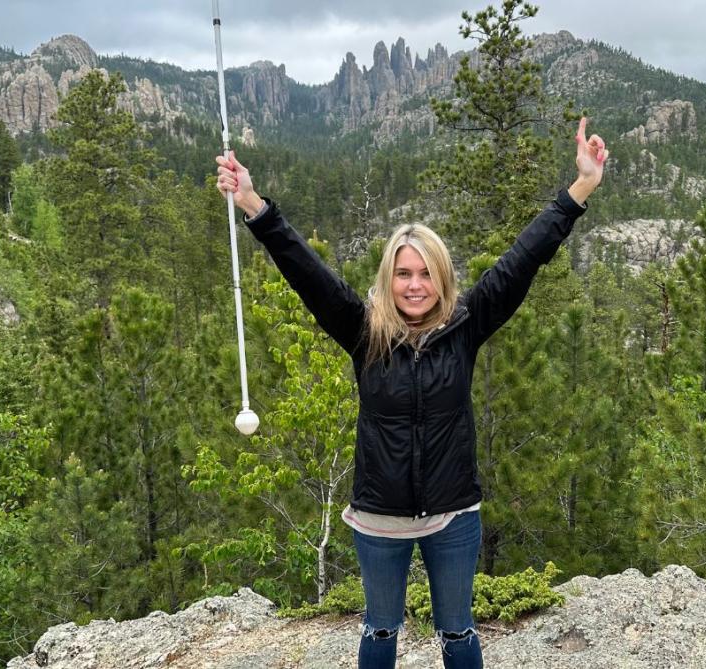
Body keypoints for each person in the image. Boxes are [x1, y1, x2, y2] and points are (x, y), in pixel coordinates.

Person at [215, 118, 606, 669]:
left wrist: (582, 187)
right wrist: (254, 203)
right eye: (403, 273)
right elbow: (305, 271)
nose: (414, 284)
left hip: (452, 512)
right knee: (379, 631)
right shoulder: (361, 330)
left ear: (442, 278)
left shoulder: (467, 324)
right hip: (380, 516)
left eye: (425, 273)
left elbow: (525, 257)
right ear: (389, 277)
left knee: (457, 633)